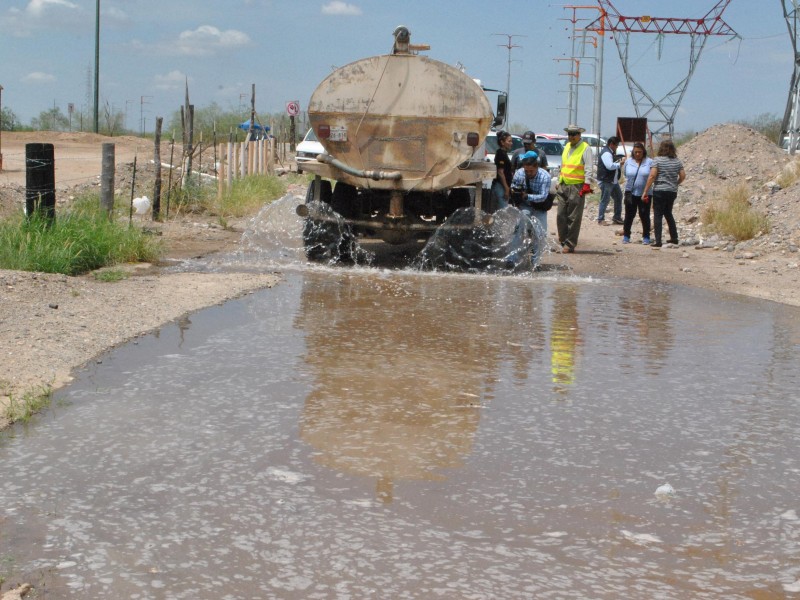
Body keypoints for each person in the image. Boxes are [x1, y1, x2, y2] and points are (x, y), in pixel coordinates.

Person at [556, 124, 594, 253]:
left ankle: (570, 244)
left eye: (574, 134)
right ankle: (562, 240)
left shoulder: (585, 148)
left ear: (579, 135)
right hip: (563, 184)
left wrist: (587, 184)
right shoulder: (566, 146)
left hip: (577, 186)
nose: (571, 136)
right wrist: (558, 179)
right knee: (561, 215)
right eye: (569, 134)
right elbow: (563, 165)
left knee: (573, 217)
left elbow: (589, 167)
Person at [642, 139, 686, 248]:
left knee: (658, 215)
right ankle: (674, 237)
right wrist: (675, 183)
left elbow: (652, 176)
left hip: (660, 190)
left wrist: (645, 191)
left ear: (661, 148)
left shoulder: (657, 160)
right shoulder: (677, 161)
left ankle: (658, 240)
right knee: (668, 213)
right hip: (672, 191)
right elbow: (683, 176)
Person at [621, 142, 653, 244]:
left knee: (644, 215)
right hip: (630, 192)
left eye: (639, 152)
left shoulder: (649, 162)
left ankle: (646, 236)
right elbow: (625, 174)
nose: (638, 154)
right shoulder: (628, 162)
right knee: (629, 215)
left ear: (643, 152)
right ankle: (626, 235)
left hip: (645, 193)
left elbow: (652, 176)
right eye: (635, 152)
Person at [596, 136, 625, 225]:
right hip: (606, 181)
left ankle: (617, 217)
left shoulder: (610, 152)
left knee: (618, 197)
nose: (616, 147)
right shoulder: (607, 153)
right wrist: (620, 164)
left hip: (612, 181)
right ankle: (601, 219)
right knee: (605, 199)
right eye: (616, 145)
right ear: (611, 144)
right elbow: (609, 166)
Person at [491, 130, 514, 212]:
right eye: (509, 141)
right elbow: (500, 172)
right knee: (502, 212)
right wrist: (506, 189)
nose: (511, 143)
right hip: (500, 186)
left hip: (503, 186)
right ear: (502, 142)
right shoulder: (500, 154)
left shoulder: (504, 153)